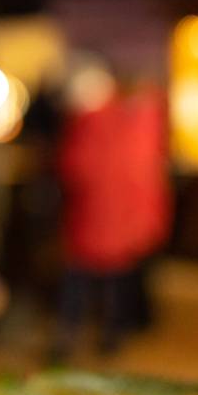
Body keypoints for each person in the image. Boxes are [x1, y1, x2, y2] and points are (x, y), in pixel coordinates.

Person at [53, 68, 169, 358]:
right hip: (117, 224)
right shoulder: (131, 126)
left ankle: (69, 339)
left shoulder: (90, 125)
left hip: (88, 222)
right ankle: (110, 339)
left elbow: (74, 168)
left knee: (79, 285)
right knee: (113, 285)